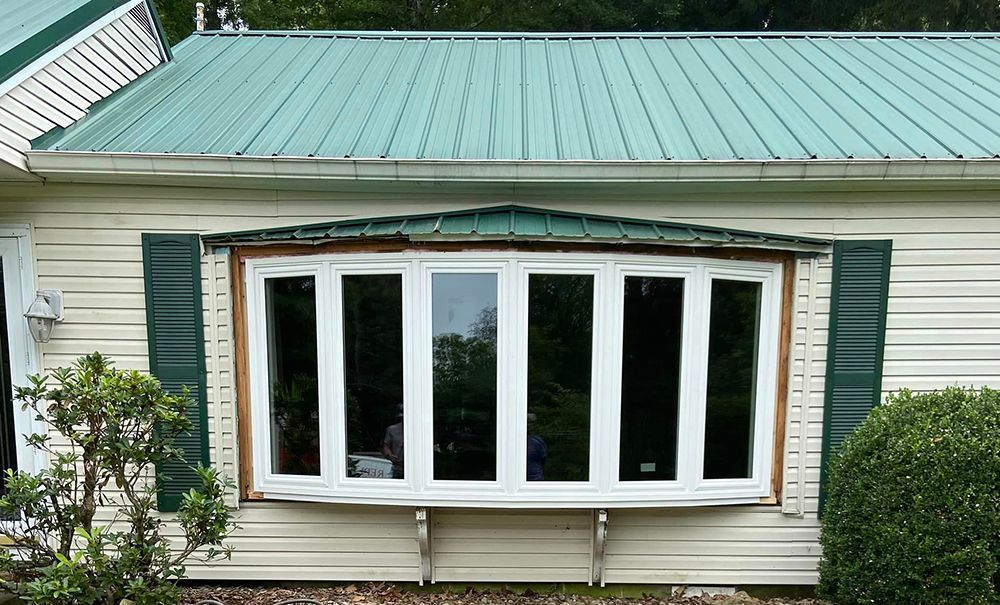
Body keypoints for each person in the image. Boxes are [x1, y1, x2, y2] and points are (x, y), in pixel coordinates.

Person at [381, 405, 404, 479]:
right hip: (397, 468)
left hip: (415, 468)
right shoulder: (391, 430)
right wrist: (389, 455)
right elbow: (386, 446)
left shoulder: (420, 430)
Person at [526, 413, 547, 481]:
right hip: (517, 479)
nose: (528, 425)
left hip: (535, 479)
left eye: (531, 422)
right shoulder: (514, 441)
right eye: (527, 422)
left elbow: (543, 460)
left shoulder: (537, 441)